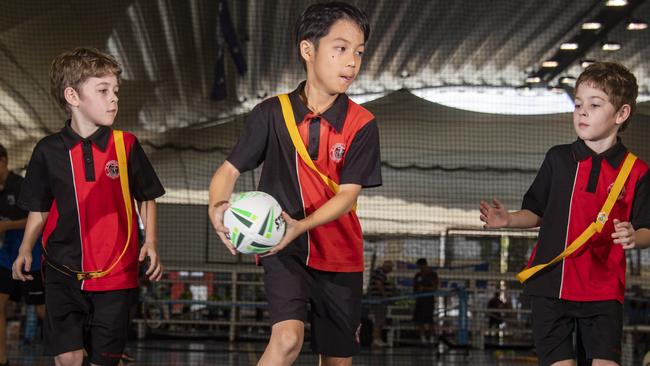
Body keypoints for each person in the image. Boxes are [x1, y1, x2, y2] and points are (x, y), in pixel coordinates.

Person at [208, 2, 381, 365]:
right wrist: (217, 207)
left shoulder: (362, 123)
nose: (352, 61)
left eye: (359, 52)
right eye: (341, 48)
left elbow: (348, 197)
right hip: (283, 249)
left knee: (336, 359)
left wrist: (300, 225)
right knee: (287, 338)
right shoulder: (271, 113)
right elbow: (227, 172)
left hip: (341, 256)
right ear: (308, 49)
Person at [480, 62, 650, 366]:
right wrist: (508, 221)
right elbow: (537, 212)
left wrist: (633, 237)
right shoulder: (558, 158)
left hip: (603, 290)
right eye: (578, 104)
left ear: (621, 114)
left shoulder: (637, 172)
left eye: (594, 105)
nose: (582, 112)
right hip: (551, 285)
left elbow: (648, 229)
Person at [12, 47, 165, 366]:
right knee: (67, 358)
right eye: (103, 90)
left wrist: (150, 241)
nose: (114, 99)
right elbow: (39, 208)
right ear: (73, 96)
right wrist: (25, 248)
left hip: (117, 274)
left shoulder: (127, 146)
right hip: (61, 272)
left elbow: (146, 196)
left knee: (102, 361)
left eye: (115, 91)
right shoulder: (47, 151)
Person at [0, 144, 46, 365]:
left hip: (31, 255)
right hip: (7, 256)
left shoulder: (19, 185)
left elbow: (35, 218)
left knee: (42, 311)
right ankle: (2, 360)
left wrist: (6, 227)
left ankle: (81, 349)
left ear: (3, 161)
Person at [368, 260, 393, 347]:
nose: (390, 270)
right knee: (378, 320)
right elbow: (379, 284)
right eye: (390, 268)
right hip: (379, 300)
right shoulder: (380, 272)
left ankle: (378, 339)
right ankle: (376, 340)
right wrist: (385, 296)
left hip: (379, 300)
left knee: (380, 320)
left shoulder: (379, 273)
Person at [412, 258, 438, 344]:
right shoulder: (418, 275)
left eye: (421, 266)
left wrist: (425, 288)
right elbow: (415, 288)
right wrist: (418, 290)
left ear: (425, 265)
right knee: (419, 320)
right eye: (419, 267)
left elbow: (435, 288)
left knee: (430, 320)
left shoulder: (433, 275)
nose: (420, 268)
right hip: (419, 301)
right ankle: (422, 338)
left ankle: (431, 337)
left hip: (429, 301)